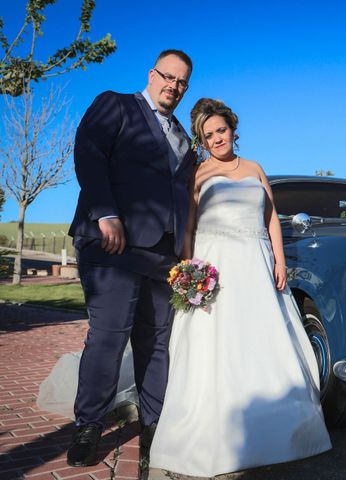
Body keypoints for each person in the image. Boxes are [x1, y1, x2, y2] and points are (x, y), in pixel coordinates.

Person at [148, 98, 332, 477]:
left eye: (221, 130)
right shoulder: (198, 174)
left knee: (261, 338)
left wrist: (280, 261)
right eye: (208, 134)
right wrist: (187, 269)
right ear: (201, 140)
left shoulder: (254, 168)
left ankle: (281, 433)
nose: (217, 138)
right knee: (218, 341)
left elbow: (271, 220)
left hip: (258, 263)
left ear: (233, 129)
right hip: (216, 264)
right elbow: (189, 226)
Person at [65, 50, 195, 469]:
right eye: (167, 77)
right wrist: (107, 213)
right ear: (151, 73)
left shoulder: (184, 138)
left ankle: (155, 423)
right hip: (113, 243)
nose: (173, 86)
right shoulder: (116, 104)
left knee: (156, 342)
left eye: (181, 82)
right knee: (109, 335)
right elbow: (88, 154)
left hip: (163, 255)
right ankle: (88, 424)